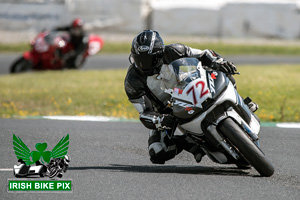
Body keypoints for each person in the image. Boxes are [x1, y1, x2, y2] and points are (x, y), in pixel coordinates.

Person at [124, 30, 258, 165]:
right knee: (158, 151)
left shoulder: (175, 50)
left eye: (148, 59)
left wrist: (219, 61)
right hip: (168, 111)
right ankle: (191, 143)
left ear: (160, 54)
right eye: (139, 59)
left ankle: (241, 104)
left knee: (222, 72)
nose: (143, 65)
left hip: (192, 86)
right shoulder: (132, 81)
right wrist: (160, 119)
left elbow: (204, 54)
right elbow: (144, 112)